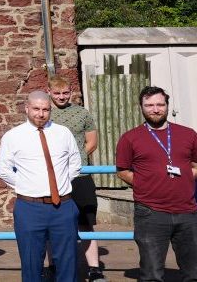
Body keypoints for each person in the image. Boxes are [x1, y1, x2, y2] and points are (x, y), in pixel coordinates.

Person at [0, 91, 81, 282]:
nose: (40, 114)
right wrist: (27, 185)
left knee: (68, 263)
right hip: (29, 208)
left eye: (45, 109)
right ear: (27, 108)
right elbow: (3, 169)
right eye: (36, 109)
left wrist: (60, 184)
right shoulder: (13, 136)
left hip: (63, 207)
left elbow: (75, 162)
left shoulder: (63, 133)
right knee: (31, 264)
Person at [115, 86, 197, 281]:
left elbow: (195, 164)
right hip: (150, 212)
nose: (155, 109)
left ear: (167, 106)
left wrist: (185, 176)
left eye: (160, 104)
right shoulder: (130, 138)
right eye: (149, 105)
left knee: (193, 272)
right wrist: (144, 183)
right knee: (152, 274)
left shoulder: (188, 134)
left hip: (187, 211)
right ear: (141, 108)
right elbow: (123, 171)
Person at [47, 76, 105, 281]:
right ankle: (53, 265)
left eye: (65, 93)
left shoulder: (82, 113)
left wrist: (75, 160)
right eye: (57, 93)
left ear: (71, 92)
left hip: (80, 175)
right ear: (49, 92)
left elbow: (91, 142)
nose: (62, 97)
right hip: (53, 176)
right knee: (52, 223)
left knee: (86, 222)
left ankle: (94, 269)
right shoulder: (44, 113)